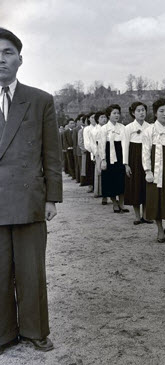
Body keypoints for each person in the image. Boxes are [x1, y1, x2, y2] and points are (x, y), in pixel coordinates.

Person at [0, 28, 62, 353]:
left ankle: (35, 330)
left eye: (7, 52)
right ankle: (3, 334)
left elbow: (51, 153)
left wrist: (52, 197)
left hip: (29, 201)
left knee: (31, 270)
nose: (0, 59)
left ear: (20, 59)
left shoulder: (40, 100)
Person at [142, 98, 165, 242]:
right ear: (155, 113)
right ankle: (160, 229)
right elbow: (145, 152)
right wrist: (148, 170)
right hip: (155, 169)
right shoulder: (149, 130)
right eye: (161, 111)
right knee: (156, 199)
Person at [123, 102, 152, 225]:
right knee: (135, 186)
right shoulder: (128, 128)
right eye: (138, 110)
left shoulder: (150, 127)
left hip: (147, 157)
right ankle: (136, 216)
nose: (141, 113)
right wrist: (126, 164)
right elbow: (125, 146)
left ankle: (146, 215)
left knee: (146, 186)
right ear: (133, 113)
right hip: (134, 158)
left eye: (143, 110)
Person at [100, 104, 129, 213]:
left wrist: (126, 160)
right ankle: (114, 203)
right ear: (109, 115)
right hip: (109, 155)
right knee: (110, 180)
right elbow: (101, 145)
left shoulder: (122, 127)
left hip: (120, 154)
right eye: (114, 113)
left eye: (118, 113)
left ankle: (121, 203)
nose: (117, 115)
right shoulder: (104, 129)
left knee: (121, 180)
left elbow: (126, 144)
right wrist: (103, 159)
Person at [93, 111, 108, 204]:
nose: (104, 119)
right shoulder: (96, 130)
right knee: (101, 173)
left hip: (109, 151)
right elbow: (94, 143)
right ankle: (103, 195)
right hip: (99, 152)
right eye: (102, 117)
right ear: (98, 119)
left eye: (105, 117)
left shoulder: (108, 128)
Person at [82, 112, 96, 192]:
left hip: (99, 152)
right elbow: (86, 143)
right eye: (92, 118)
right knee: (90, 169)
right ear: (89, 119)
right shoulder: (87, 129)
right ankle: (90, 185)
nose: (93, 119)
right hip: (90, 151)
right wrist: (93, 151)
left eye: (95, 117)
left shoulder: (99, 128)